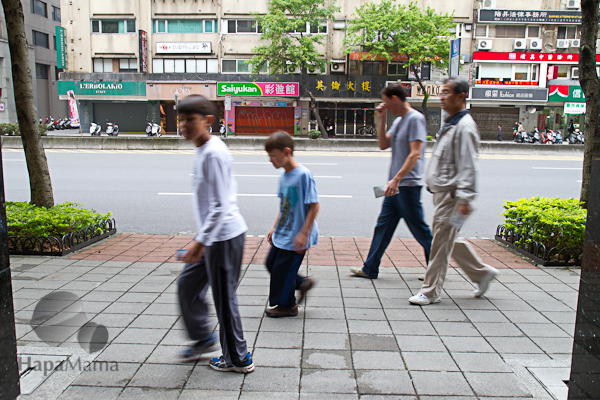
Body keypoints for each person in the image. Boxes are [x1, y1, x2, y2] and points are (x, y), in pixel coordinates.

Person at [176, 94, 254, 373]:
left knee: (224, 298)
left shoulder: (213, 153)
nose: (183, 125)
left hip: (223, 239)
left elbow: (222, 205)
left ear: (207, 120)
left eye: (189, 119)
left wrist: (201, 241)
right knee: (187, 285)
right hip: (212, 238)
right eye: (181, 119)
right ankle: (203, 337)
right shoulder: (203, 149)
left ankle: (238, 358)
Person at [409, 76, 499, 306]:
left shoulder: (465, 127)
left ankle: (430, 291)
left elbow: (469, 166)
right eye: (441, 92)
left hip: (453, 196)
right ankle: (481, 273)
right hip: (443, 195)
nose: (442, 96)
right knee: (446, 238)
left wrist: (465, 198)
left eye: (446, 92)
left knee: (440, 243)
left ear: (461, 96)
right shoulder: (452, 123)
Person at [350, 83, 432, 279]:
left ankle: (436, 270)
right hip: (394, 187)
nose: (384, 104)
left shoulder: (415, 119)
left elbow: (415, 154)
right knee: (383, 227)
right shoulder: (399, 121)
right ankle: (370, 268)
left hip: (407, 186)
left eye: (386, 101)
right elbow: (382, 144)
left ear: (395, 99)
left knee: (420, 230)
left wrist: (396, 179)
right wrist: (383, 118)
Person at [264, 131, 319, 318]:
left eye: (273, 155)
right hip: (284, 231)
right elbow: (284, 206)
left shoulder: (303, 175)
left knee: (284, 271)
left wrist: (304, 233)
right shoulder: (283, 176)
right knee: (271, 264)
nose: (270, 160)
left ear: (286, 152)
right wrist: (274, 226)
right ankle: (302, 283)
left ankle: (288, 306)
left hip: (298, 234)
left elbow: (314, 206)